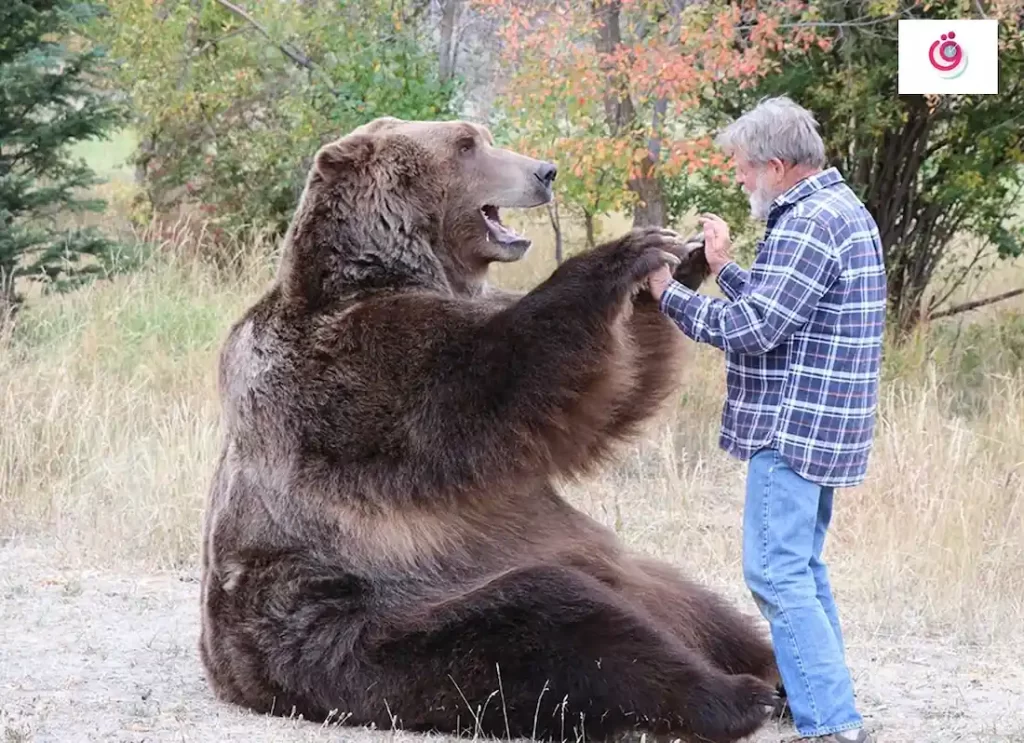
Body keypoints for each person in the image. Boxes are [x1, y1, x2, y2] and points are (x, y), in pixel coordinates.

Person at [646, 96, 887, 743]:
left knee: (776, 572)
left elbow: (755, 330)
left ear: (778, 166)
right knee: (800, 568)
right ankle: (832, 705)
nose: (740, 180)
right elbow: (786, 310)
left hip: (794, 428)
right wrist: (724, 269)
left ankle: (832, 724)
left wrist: (670, 295)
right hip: (822, 425)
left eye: (745, 169)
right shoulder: (838, 211)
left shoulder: (808, 223)